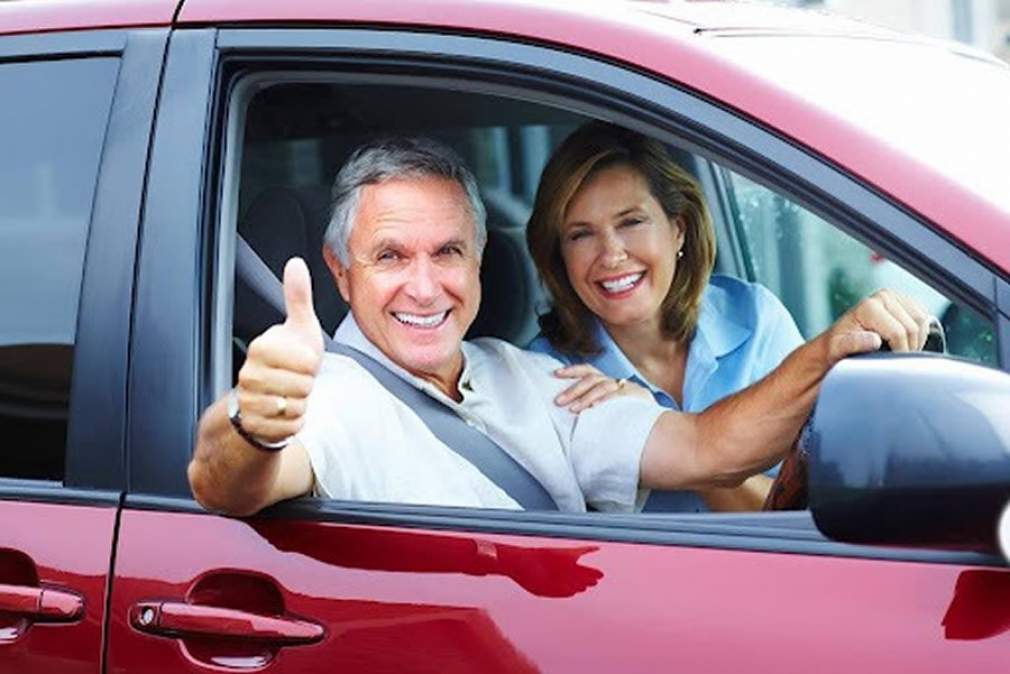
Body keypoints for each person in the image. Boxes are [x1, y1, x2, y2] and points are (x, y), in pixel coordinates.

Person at [188, 136, 932, 518]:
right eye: (389, 256)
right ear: (339, 272)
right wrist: (254, 422)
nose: (425, 285)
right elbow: (226, 485)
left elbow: (709, 448)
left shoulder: (534, 376)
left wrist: (833, 349)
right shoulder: (324, 395)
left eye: (448, 252)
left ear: (482, 259)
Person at [525, 122, 805, 512]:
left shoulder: (756, 318)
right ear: (561, 257)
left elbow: (804, 518)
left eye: (631, 222)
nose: (612, 255)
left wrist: (658, 423)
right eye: (581, 234)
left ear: (678, 230)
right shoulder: (547, 377)